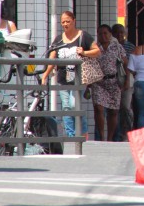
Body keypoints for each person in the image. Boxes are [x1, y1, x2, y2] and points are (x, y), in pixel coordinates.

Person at [41, 10, 100, 138]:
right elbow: (52, 58)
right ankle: (70, 134)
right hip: (63, 78)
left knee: (74, 105)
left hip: (78, 78)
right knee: (66, 107)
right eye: (63, 22)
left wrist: (84, 52)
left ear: (74, 21)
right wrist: (45, 74)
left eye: (68, 21)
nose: (65, 24)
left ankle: (83, 132)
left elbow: (97, 51)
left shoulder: (83, 36)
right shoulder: (58, 39)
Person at [93, 24, 127, 141]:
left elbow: (125, 63)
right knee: (98, 108)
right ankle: (102, 136)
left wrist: (126, 81)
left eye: (105, 33)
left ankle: (110, 138)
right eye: (100, 34)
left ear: (110, 34)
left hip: (114, 82)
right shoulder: (95, 48)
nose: (103, 36)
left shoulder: (116, 47)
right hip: (98, 82)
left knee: (113, 111)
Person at [112, 23, 135, 141]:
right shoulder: (110, 47)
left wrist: (127, 80)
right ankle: (116, 135)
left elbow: (132, 65)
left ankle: (127, 132)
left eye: (122, 32)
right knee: (115, 109)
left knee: (125, 107)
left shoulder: (131, 47)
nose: (120, 35)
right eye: (117, 32)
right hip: (113, 80)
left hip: (127, 79)